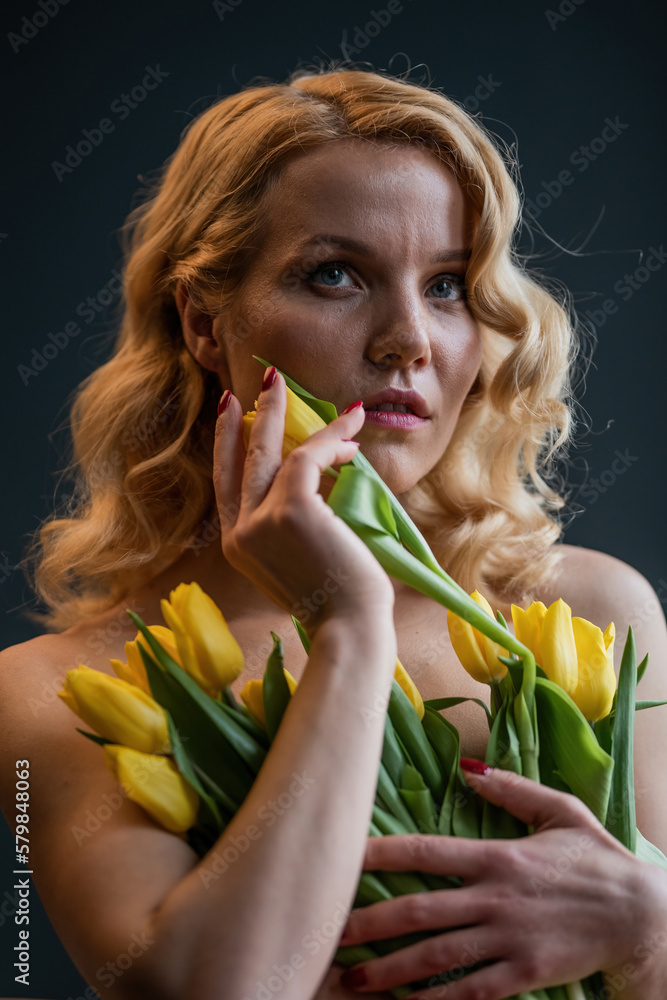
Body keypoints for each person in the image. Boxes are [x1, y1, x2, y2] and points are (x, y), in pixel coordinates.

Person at [1, 65, 666, 1000]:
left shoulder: (583, 608)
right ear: (202, 319)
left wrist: (646, 933)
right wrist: (347, 625)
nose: (408, 339)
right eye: (335, 275)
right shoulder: (57, 690)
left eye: (446, 284)